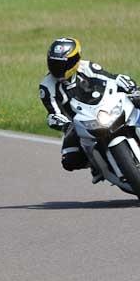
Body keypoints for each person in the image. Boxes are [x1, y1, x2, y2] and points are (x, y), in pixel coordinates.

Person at [40, 37, 138, 180]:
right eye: (54, 63)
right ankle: (95, 164)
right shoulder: (46, 86)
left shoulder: (87, 67)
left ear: (75, 60)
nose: (58, 68)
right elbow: (53, 111)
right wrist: (61, 122)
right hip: (77, 123)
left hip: (104, 109)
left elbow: (110, 78)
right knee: (70, 160)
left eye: (62, 64)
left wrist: (127, 85)